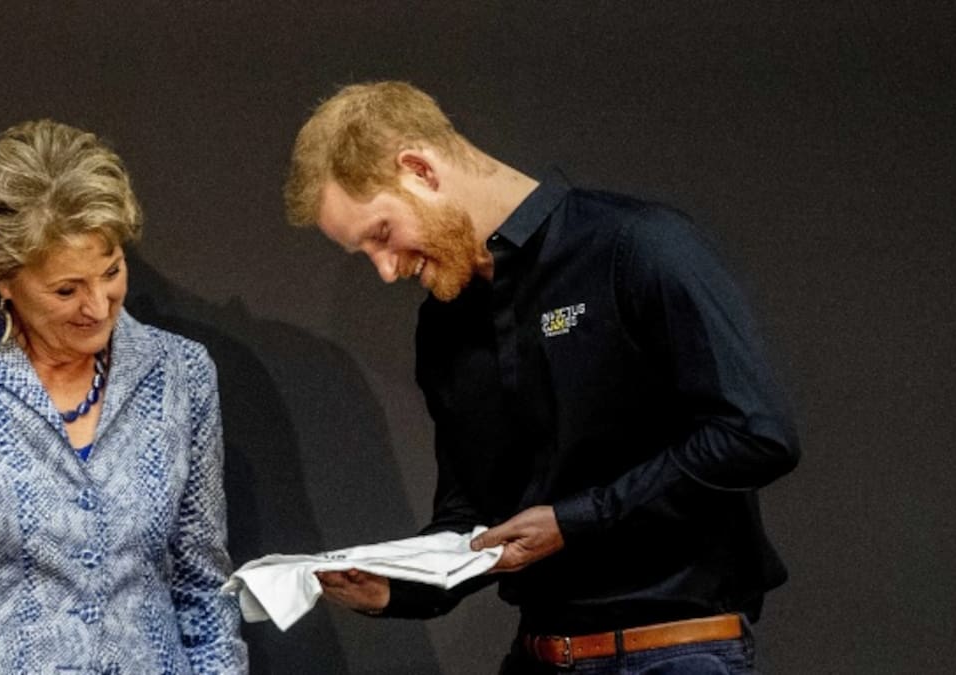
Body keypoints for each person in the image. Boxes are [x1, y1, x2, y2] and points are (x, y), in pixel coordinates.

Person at [283, 81, 801, 674]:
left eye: (380, 234)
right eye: (366, 253)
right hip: (539, 654)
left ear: (420, 170)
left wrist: (575, 521)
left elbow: (755, 434)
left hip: (672, 653)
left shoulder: (637, 246)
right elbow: (471, 514)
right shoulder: (444, 325)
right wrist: (399, 588)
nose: (385, 270)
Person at [0, 119, 249, 674]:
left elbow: (204, 587)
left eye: (111, 271)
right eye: (66, 289)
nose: (99, 306)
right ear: (3, 280)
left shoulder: (180, 373)